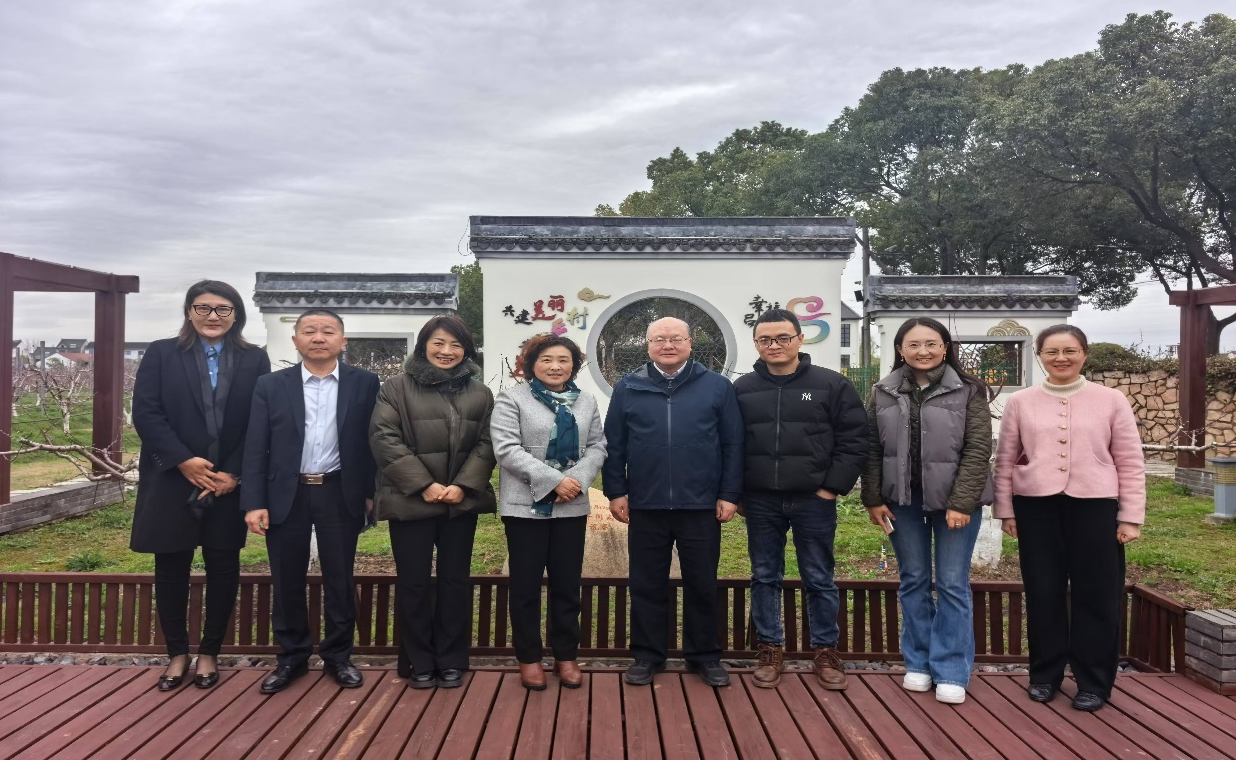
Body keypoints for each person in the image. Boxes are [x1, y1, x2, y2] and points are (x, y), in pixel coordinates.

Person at [994, 324, 1144, 712]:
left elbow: (1129, 460)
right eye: (1052, 352)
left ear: (1084, 354)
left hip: (1095, 507)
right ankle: (1044, 675)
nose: (1061, 358)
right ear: (1040, 356)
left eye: (1070, 351)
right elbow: (1006, 459)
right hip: (1036, 507)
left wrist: (1130, 515)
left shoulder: (1111, 400)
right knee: (1043, 592)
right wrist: (1005, 509)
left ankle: (1093, 682)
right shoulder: (1020, 402)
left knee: (1098, 595)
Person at [130, 280, 270, 691]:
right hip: (173, 479)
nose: (213, 316)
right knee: (171, 568)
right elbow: (147, 412)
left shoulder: (254, 358)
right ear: (189, 312)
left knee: (223, 567)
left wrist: (235, 474)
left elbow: (260, 419)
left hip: (226, 483)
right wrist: (182, 460)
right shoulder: (161, 353)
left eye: (223, 309)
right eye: (203, 307)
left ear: (236, 315)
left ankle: (210, 652)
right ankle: (177, 654)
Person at [240, 309, 380, 694]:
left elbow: (373, 442)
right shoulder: (271, 385)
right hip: (286, 494)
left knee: (340, 577)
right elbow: (256, 445)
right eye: (310, 331)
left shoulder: (364, 383)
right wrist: (254, 501)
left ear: (343, 341)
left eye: (328, 331)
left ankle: (338, 657)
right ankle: (292, 658)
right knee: (286, 578)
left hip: (340, 491)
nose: (319, 337)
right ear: (296, 340)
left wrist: (371, 493)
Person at [603, 317, 743, 688]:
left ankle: (704, 655)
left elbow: (733, 444)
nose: (668, 345)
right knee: (646, 583)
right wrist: (616, 491)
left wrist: (729, 494)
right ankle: (648, 655)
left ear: (690, 343)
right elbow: (614, 445)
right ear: (648, 345)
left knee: (702, 582)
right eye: (659, 339)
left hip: (700, 504)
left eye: (676, 338)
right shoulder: (628, 387)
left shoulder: (716, 386)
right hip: (645, 504)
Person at [734, 309, 869, 692]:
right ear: (756, 343)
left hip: (814, 499)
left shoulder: (831, 384)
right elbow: (730, 443)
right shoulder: (742, 388)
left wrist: (832, 487)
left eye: (782, 338)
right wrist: (737, 492)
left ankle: (825, 650)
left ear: (799, 339)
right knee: (764, 575)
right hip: (760, 499)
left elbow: (854, 439)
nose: (774, 345)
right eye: (765, 339)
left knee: (819, 576)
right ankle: (770, 648)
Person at [862, 317, 994, 705]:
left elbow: (978, 449)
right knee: (913, 580)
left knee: (952, 583)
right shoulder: (882, 391)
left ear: (945, 347)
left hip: (955, 504)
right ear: (900, 349)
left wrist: (961, 502)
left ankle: (951, 668)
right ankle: (918, 662)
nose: (923, 351)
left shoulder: (969, 389)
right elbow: (871, 448)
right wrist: (873, 498)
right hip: (901, 502)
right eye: (914, 344)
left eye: (932, 344)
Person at [370, 315, 497, 689]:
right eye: (438, 343)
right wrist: (423, 484)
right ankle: (418, 661)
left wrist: (463, 486)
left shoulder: (480, 393)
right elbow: (384, 437)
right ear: (424, 345)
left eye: (456, 345)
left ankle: (451, 659)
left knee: (455, 581)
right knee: (413, 583)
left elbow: (488, 442)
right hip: (410, 501)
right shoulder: (396, 387)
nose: (447, 351)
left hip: (459, 503)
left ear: (466, 351)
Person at [491, 334, 607, 691]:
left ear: (573, 365)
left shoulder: (586, 401)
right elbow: (506, 449)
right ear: (531, 364)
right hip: (524, 506)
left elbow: (597, 446)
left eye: (563, 360)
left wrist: (575, 482)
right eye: (546, 360)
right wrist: (554, 481)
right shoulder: (512, 399)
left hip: (571, 506)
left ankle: (565, 655)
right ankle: (528, 658)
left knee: (567, 585)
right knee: (525, 586)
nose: (555, 367)